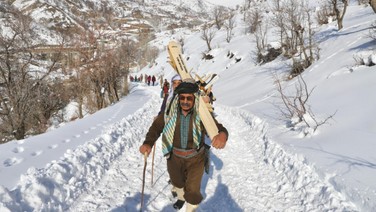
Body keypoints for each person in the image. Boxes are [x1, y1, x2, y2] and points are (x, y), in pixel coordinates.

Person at [139, 80, 228, 211]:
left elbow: (218, 128)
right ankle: (181, 198)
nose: (185, 101)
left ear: (194, 99)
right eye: (182, 98)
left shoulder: (202, 115)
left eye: (189, 98)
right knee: (177, 183)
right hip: (174, 157)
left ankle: (190, 208)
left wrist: (222, 135)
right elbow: (156, 128)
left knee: (192, 191)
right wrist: (148, 143)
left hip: (196, 159)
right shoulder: (169, 112)